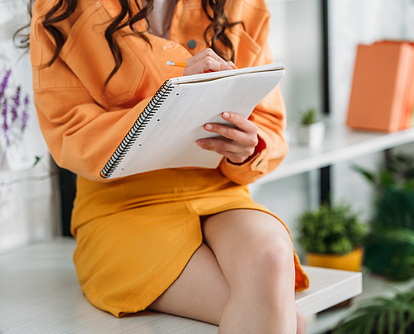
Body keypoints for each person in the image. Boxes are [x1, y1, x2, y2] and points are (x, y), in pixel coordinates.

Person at [27, 0, 309, 332]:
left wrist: (248, 147)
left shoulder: (241, 5)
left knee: (273, 255)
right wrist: (173, 95)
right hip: (122, 207)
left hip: (220, 193)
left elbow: (270, 128)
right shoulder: (63, 7)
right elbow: (71, 137)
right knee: (286, 318)